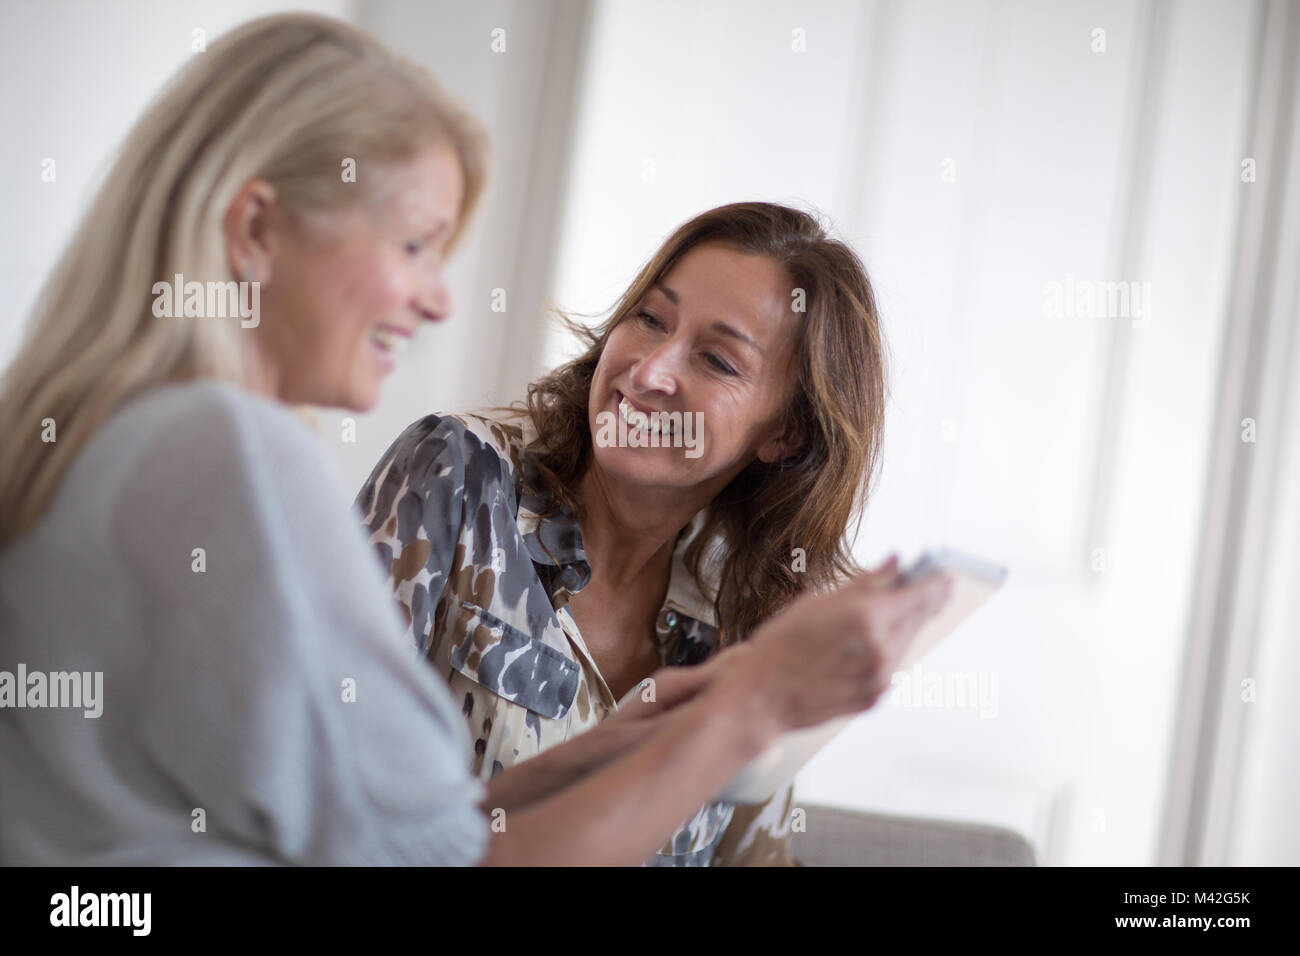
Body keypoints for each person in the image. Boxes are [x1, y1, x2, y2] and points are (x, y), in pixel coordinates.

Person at [0, 13, 950, 866]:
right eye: (415, 246)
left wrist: (663, 723)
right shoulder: (232, 455)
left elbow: (419, 828)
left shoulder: (120, 436)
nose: (440, 297)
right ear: (255, 229)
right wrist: (758, 702)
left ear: (785, 434)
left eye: (717, 357)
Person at [356, 202, 900, 865]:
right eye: (649, 318)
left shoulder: (758, 612)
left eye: (716, 360)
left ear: (785, 433)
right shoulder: (457, 474)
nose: (648, 372)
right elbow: (328, 784)